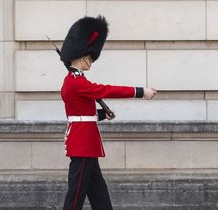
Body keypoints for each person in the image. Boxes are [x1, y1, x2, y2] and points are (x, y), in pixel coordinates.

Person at [60, 15, 157, 210]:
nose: (91, 62)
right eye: (89, 58)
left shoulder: (75, 81)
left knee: (100, 197)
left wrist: (103, 115)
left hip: (85, 143)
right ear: (82, 56)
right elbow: (106, 90)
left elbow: (84, 115)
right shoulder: (76, 82)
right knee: (75, 197)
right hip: (83, 144)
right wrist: (140, 92)